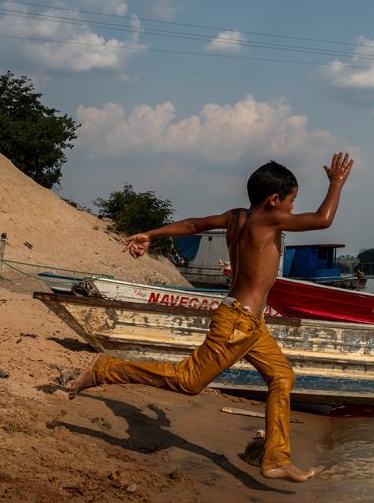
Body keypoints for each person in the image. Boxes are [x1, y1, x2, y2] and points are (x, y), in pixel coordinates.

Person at [66, 153, 354, 483]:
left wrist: (150, 233)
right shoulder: (269, 220)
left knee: (282, 376)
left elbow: (192, 225)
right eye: (291, 201)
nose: (292, 208)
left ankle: (276, 458)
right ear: (274, 200)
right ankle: (105, 369)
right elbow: (323, 219)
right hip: (237, 323)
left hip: (250, 324)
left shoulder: (237, 217)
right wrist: (337, 183)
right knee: (188, 381)